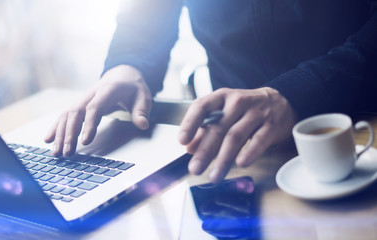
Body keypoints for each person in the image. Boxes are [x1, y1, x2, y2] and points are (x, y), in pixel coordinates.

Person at [44, 0, 377, 183]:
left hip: (362, 132)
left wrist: (297, 91)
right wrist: (128, 64)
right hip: (236, 155)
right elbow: (145, 18)